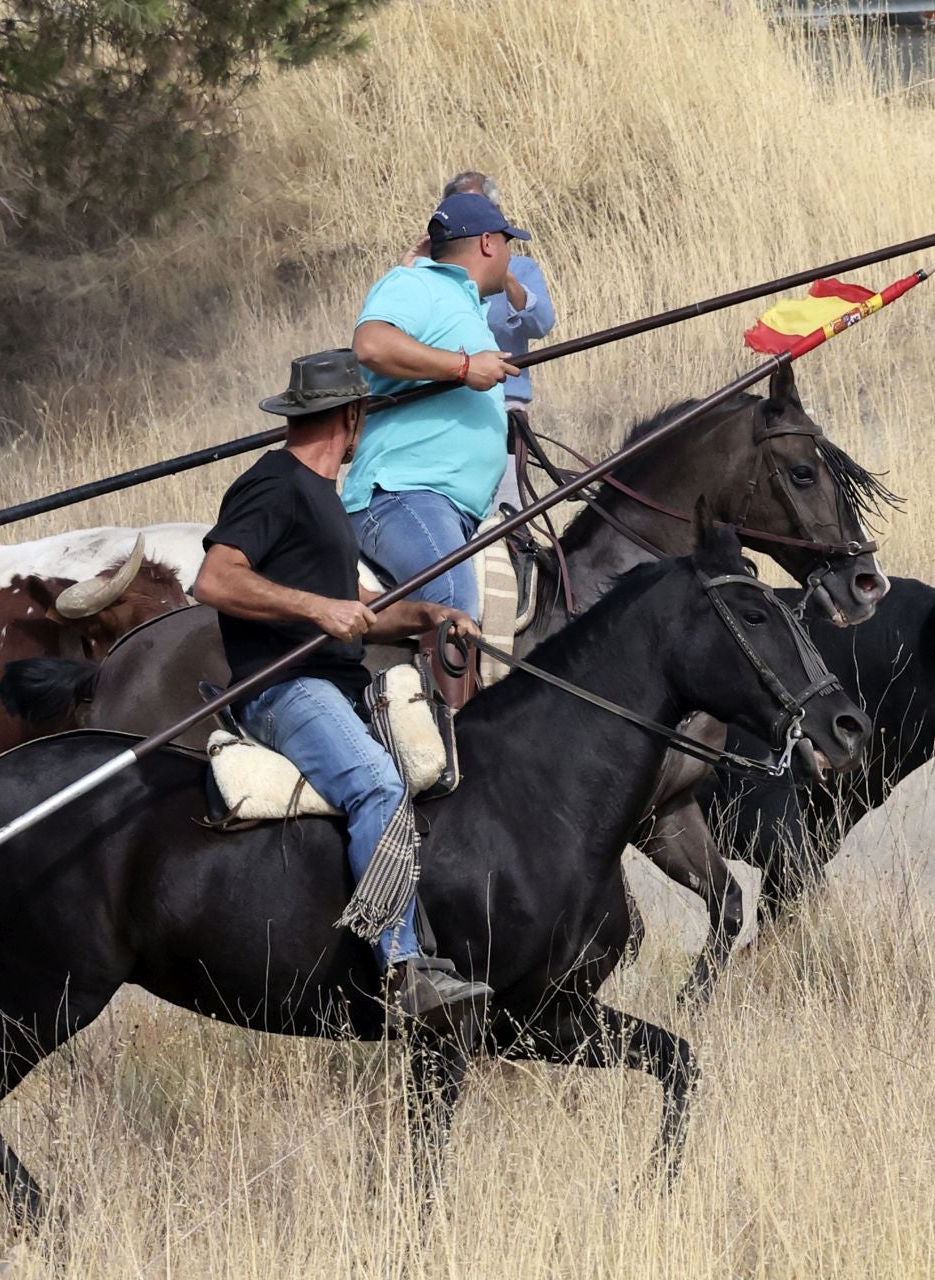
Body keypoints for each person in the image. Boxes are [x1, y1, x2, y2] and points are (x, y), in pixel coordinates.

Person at [194, 349, 493, 1029]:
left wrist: (429, 614)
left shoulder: (323, 499)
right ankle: (401, 972)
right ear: (352, 417)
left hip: (336, 685)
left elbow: (353, 602)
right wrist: (314, 609)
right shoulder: (274, 484)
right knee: (378, 787)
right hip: (284, 690)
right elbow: (214, 579)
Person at [348, 191, 529, 621]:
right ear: (488, 243)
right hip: (405, 495)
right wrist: (464, 367)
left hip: (452, 508)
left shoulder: (463, 304)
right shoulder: (416, 283)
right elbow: (371, 344)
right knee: (452, 600)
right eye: (508, 243)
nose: (509, 256)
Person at [438, 171, 557, 513]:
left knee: (507, 516)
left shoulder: (523, 267)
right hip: (449, 406)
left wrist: (503, 274)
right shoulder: (433, 274)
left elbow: (542, 323)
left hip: (504, 410)